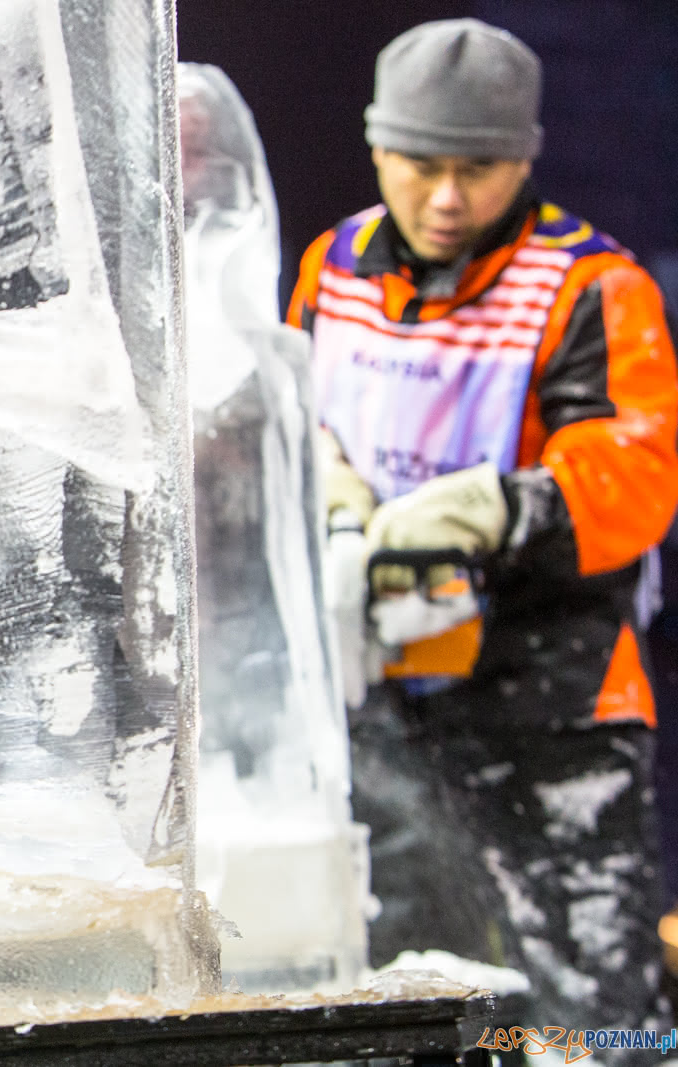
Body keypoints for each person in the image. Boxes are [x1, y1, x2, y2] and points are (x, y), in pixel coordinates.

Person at [287, 18, 678, 1051]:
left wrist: (496, 507)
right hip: (381, 695)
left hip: (552, 708)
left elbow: (637, 475)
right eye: (421, 164)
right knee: (408, 997)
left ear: (525, 162)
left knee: (593, 1009)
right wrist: (318, 480)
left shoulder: (594, 287)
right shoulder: (333, 267)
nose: (448, 197)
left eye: (480, 168)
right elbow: (293, 412)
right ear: (377, 149)